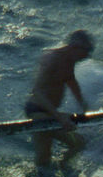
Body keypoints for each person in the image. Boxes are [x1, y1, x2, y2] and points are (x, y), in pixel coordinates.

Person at [25, 30, 94, 167]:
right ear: (75, 47)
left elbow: (70, 80)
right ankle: (62, 167)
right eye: (86, 51)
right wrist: (59, 117)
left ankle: (55, 173)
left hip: (50, 112)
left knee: (44, 157)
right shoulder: (52, 59)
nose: (87, 56)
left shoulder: (69, 60)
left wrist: (83, 104)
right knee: (78, 143)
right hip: (38, 111)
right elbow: (37, 91)